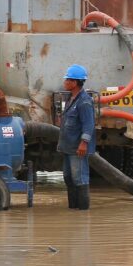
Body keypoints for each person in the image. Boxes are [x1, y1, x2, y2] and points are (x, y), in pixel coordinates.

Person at [59, 64, 95, 210]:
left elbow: (89, 124)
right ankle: (73, 210)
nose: (65, 82)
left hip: (77, 147)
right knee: (68, 178)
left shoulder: (84, 101)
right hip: (68, 146)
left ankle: (83, 213)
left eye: (67, 79)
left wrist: (84, 143)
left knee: (79, 179)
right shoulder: (70, 99)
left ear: (75, 82)